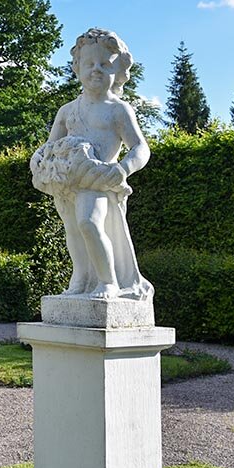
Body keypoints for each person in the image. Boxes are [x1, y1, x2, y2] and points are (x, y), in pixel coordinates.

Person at [29, 27, 153, 301]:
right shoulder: (67, 111)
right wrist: (40, 162)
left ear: (118, 71)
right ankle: (82, 278)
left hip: (99, 179)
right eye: (89, 64)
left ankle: (108, 282)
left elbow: (140, 147)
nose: (96, 69)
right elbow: (51, 148)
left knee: (89, 223)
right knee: (74, 230)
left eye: (105, 64)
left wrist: (123, 169)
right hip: (68, 183)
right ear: (77, 68)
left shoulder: (118, 109)